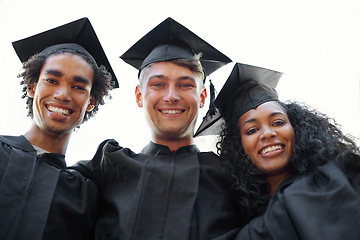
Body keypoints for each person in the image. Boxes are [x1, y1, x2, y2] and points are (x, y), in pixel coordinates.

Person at [73, 17, 243, 240]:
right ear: (139, 96)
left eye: (185, 85)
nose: (171, 96)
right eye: (158, 85)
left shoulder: (232, 177)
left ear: (202, 97)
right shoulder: (105, 168)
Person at [196, 62, 360, 239]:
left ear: (296, 129)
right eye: (252, 130)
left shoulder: (333, 181)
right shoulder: (241, 218)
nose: (267, 133)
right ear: (239, 147)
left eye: (278, 122)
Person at [0, 18, 118, 240]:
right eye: (52, 80)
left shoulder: (85, 195)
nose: (63, 94)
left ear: (90, 103)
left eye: (78, 87)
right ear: (32, 87)